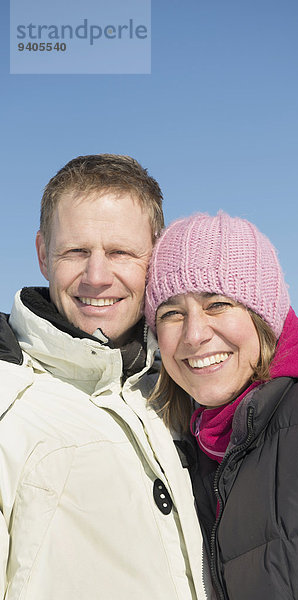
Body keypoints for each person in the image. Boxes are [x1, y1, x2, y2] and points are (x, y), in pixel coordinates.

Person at [0, 155, 208, 600]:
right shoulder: (8, 402)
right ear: (42, 254)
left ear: (156, 256)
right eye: (76, 252)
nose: (96, 277)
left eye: (120, 253)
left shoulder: (188, 391)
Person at [145, 211, 298, 600]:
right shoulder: (194, 450)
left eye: (217, 304)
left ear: (263, 318)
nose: (195, 334)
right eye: (171, 313)